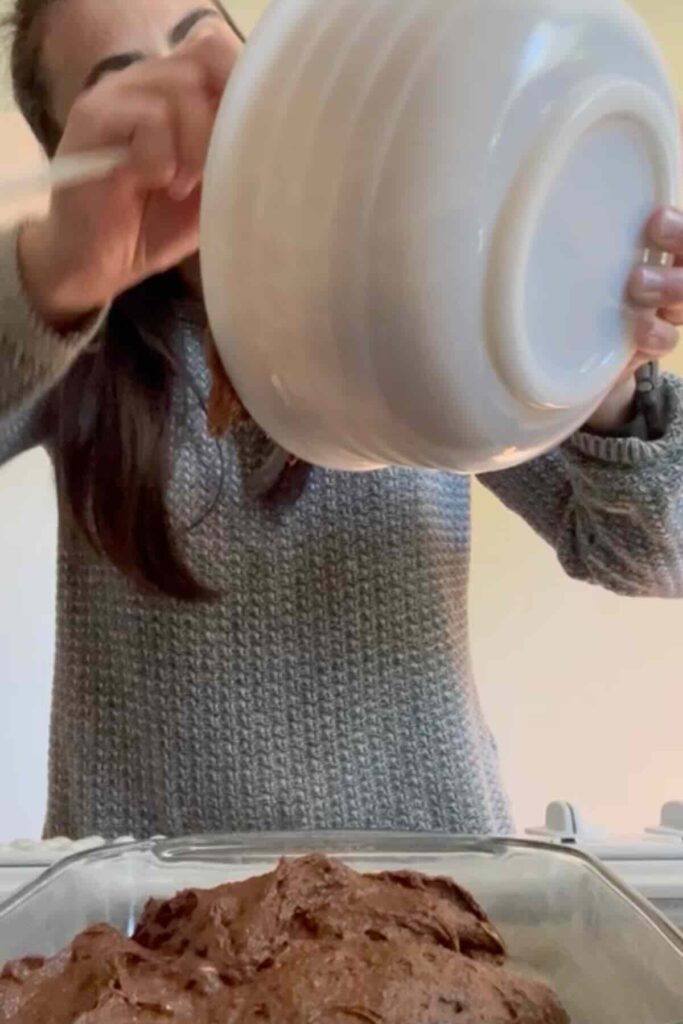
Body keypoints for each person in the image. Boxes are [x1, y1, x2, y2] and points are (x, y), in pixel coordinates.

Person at [1, 0, 683, 842]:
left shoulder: (413, 281)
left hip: (426, 902)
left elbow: (651, 555)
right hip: (155, 932)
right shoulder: (69, 345)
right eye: (124, 93)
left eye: (193, 45)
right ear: (72, 158)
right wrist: (55, 275)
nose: (178, 100)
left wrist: (600, 370)